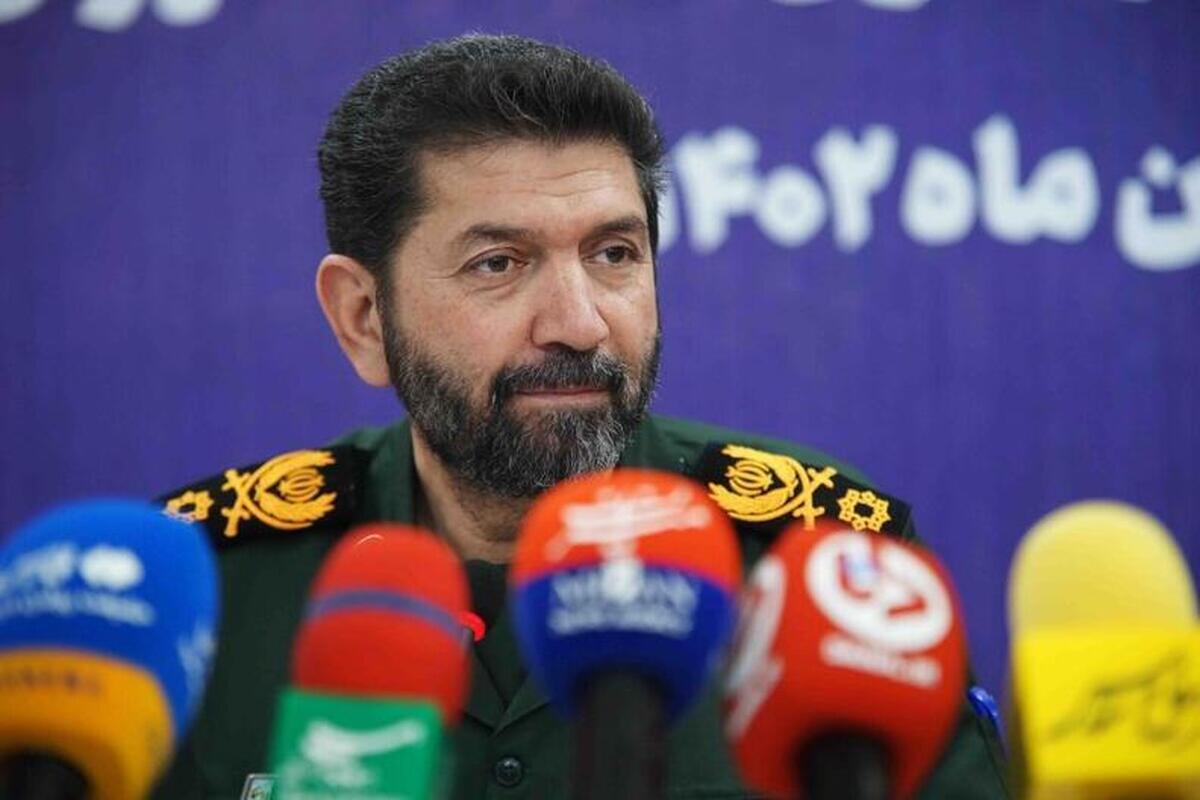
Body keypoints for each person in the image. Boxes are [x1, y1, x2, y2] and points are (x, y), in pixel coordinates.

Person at [153, 34, 1009, 799]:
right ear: (364, 318)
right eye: (498, 263)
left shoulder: (827, 573)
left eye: (613, 254)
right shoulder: (205, 593)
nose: (580, 323)